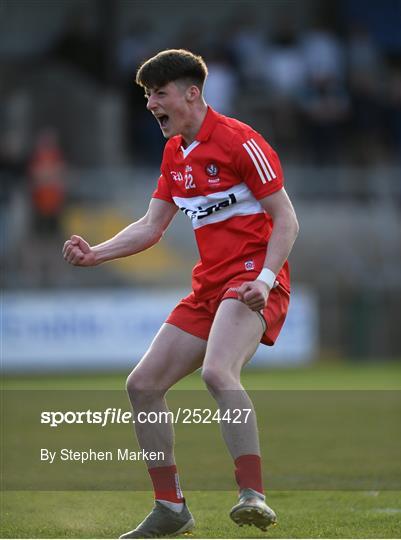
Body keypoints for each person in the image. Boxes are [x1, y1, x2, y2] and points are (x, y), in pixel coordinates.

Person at [62, 49, 299, 538]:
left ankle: (252, 494)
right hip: (209, 285)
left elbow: (287, 219)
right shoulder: (175, 153)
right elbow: (150, 226)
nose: (151, 104)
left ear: (192, 94)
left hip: (252, 281)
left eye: (159, 93)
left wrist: (266, 278)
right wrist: (97, 254)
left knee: (217, 371)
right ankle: (170, 508)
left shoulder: (240, 141)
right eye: (148, 95)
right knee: (142, 385)